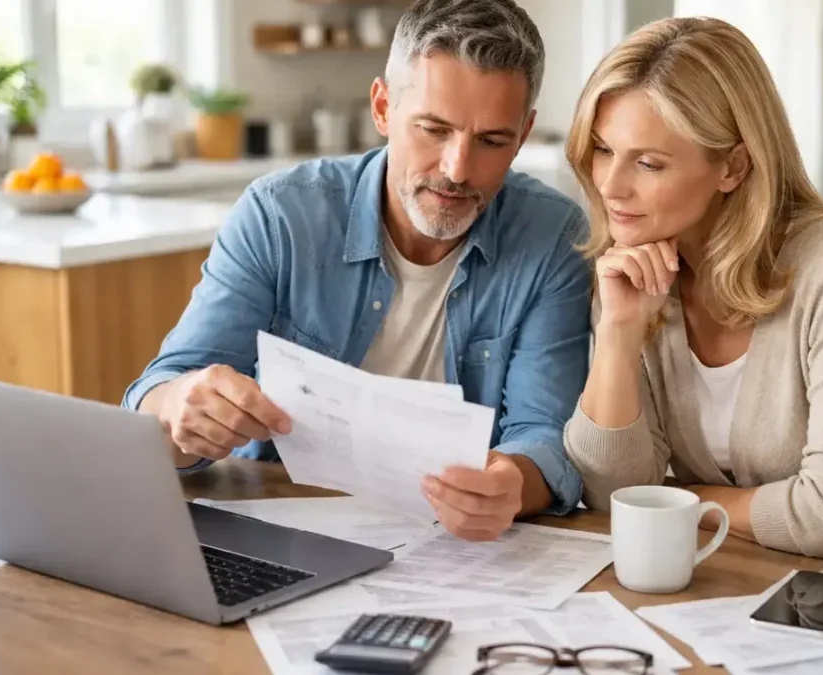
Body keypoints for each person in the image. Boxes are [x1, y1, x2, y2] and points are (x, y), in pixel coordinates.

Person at [123, 0, 592, 542]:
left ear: (525, 133)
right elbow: (161, 388)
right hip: (285, 524)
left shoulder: (553, 238)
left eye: (492, 141)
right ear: (382, 107)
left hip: (455, 548)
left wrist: (512, 485)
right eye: (433, 129)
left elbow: (542, 435)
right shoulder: (280, 216)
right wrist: (179, 406)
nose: (457, 169)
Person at [562, 17, 823, 585]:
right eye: (602, 149)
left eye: (648, 162)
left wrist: (683, 498)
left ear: (733, 166)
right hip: (742, 589)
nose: (611, 186)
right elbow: (613, 495)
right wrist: (617, 331)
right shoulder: (633, 268)